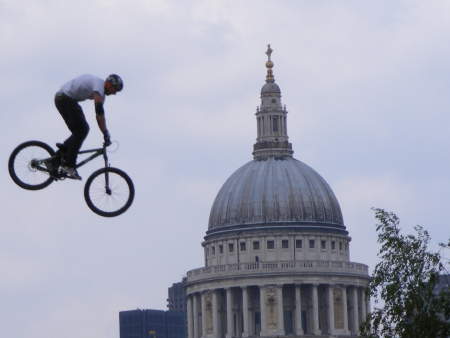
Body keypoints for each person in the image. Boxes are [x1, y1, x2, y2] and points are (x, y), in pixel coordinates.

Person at [54, 74, 123, 179]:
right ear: (109, 83)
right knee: (82, 130)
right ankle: (69, 165)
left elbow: (100, 116)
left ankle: (55, 159)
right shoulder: (99, 86)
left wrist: (105, 132)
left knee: (79, 132)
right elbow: (99, 112)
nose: (114, 93)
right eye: (115, 89)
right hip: (65, 98)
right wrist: (105, 133)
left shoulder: (100, 92)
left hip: (63, 99)